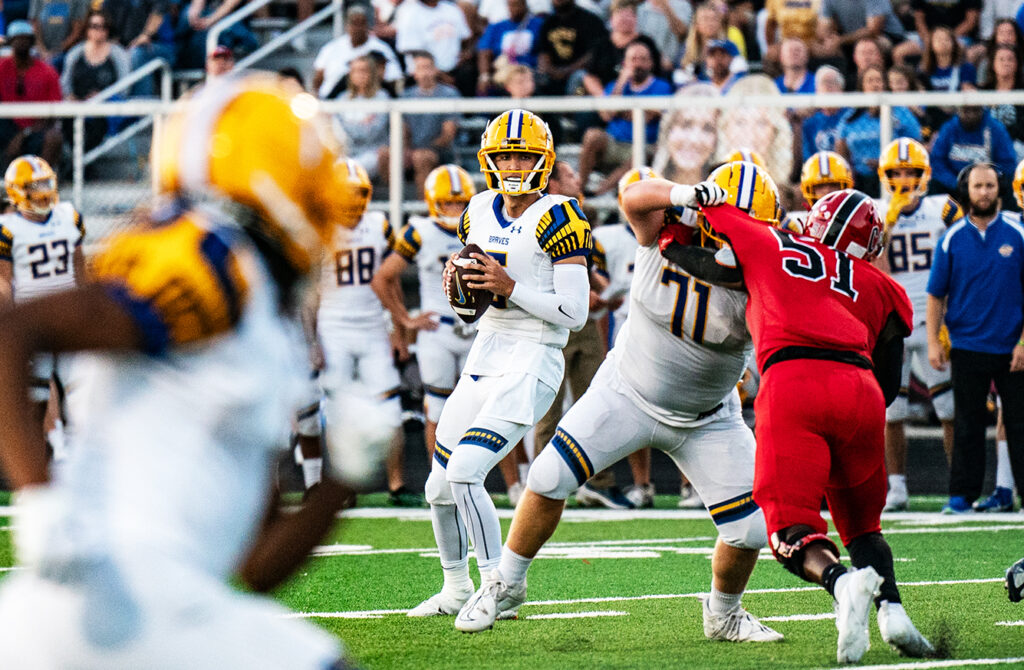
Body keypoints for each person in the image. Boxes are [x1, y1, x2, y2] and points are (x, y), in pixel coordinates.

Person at [0, 72, 370, 669]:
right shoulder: (211, 252)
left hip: (148, 606)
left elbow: (256, 567)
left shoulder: (257, 309)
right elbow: (11, 328)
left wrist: (343, 481)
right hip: (116, 596)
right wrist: (38, 500)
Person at [453, 160, 786, 642]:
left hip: (707, 417)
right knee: (547, 476)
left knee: (751, 531)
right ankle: (506, 583)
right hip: (626, 391)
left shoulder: (767, 275)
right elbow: (634, 196)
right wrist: (683, 193)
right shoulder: (666, 228)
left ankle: (724, 613)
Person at [668, 186, 933, 663]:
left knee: (790, 531)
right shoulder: (880, 286)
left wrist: (670, 237)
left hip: (794, 381)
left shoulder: (774, 243)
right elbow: (890, 381)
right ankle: (894, 614)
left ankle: (841, 583)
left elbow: (707, 238)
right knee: (864, 529)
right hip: (862, 393)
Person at [409, 109, 592, 621]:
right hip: (486, 349)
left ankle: (497, 588)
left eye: (524, 154)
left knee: (467, 471)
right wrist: (463, 293)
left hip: (535, 355)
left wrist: (510, 287)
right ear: (489, 160)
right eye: (505, 154)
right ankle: (453, 587)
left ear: (544, 160)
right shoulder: (478, 210)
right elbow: (472, 306)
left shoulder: (561, 216)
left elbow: (575, 314)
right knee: (438, 485)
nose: (514, 164)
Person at [927, 161, 1024, 514]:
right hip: (966, 347)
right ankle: (960, 497)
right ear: (966, 190)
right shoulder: (951, 239)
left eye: (990, 186)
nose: (984, 192)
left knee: (1020, 424)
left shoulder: (1017, 234)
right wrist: (936, 342)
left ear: (1000, 190)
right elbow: (936, 294)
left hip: (1012, 349)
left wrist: (1023, 343)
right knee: (967, 426)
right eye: (978, 186)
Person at [535, 160, 631, 510]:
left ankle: (599, 483)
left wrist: (598, 288)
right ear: (554, 184)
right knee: (549, 411)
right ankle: (542, 486)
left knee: (598, 403)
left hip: (583, 322)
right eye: (571, 175)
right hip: (551, 322)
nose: (579, 179)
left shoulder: (577, 215)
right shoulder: (539, 217)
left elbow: (583, 269)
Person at [373, 164, 477, 477]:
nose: (455, 209)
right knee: (438, 409)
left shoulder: (481, 227)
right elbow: (384, 276)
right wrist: (405, 319)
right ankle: (440, 481)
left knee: (481, 411)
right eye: (448, 203)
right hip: (439, 329)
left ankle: (477, 480)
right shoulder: (419, 231)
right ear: (434, 202)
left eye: (460, 203)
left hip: (476, 329)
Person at [876, 138, 963, 512]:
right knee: (891, 412)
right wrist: (888, 225)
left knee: (948, 408)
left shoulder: (941, 208)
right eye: (896, 172)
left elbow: (962, 259)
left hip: (931, 319)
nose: (903, 179)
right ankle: (896, 486)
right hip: (894, 321)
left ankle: (960, 484)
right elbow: (873, 269)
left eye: (911, 172)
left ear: (924, 174)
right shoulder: (877, 211)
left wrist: (951, 317)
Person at [0, 155, 84, 454]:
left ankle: (77, 451)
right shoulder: (7, 229)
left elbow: (78, 265)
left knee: (81, 392)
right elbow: (4, 280)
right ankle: (47, 453)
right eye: (35, 185)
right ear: (17, 191)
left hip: (69, 314)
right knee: (35, 398)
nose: (43, 191)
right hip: (33, 318)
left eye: (46, 183)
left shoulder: (68, 216)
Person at [577, 39, 673, 196]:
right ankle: (579, 189)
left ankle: (597, 194)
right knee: (592, 135)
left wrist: (623, 111)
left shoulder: (662, 86)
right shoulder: (615, 86)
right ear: (624, 63)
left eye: (643, 59)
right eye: (633, 59)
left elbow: (650, 116)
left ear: (651, 64)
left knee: (641, 153)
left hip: (644, 145)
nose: (638, 64)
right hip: (614, 143)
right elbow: (607, 115)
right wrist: (622, 81)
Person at [380, 52, 460, 197]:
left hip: (440, 152)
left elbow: (448, 134)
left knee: (421, 157)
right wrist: (405, 149)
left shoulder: (449, 94)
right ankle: (394, 204)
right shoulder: (406, 96)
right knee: (384, 155)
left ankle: (424, 211)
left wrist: (421, 150)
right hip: (412, 150)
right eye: (420, 68)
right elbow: (403, 129)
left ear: (435, 70)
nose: (424, 73)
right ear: (414, 72)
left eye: (428, 67)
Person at [835, 65, 922, 198]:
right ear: (862, 86)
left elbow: (916, 145)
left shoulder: (901, 112)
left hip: (895, 177)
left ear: (886, 85)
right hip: (859, 179)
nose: (875, 85)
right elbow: (841, 151)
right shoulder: (850, 117)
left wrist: (887, 164)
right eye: (870, 80)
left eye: (878, 80)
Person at [60, 11, 130, 152]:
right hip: (77, 105)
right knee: (67, 120)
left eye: (103, 26)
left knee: (98, 121)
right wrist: (70, 97)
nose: (99, 31)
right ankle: (79, 162)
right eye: (94, 26)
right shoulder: (75, 53)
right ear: (87, 29)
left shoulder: (118, 54)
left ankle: (83, 163)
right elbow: (64, 84)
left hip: (105, 108)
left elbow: (125, 87)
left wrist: (103, 97)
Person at [0, 21, 63, 171]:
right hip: (8, 126)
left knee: (54, 138)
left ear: (32, 42)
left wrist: (25, 134)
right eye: (17, 39)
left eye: (25, 38)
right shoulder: (2, 68)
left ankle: (40, 181)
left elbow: (55, 112)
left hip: (36, 127)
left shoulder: (47, 72)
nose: (21, 43)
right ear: (10, 42)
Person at [715, 74, 793, 186]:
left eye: (762, 123)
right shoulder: (709, 186)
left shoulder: (786, 193)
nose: (750, 135)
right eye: (740, 122)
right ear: (725, 127)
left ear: (775, 131)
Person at [313, 6, 403, 99]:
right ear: (346, 25)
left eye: (361, 23)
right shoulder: (331, 48)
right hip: (333, 101)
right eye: (354, 23)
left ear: (367, 25)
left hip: (373, 100)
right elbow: (318, 79)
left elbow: (394, 79)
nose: (357, 28)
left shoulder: (381, 48)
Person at [929, 105, 1017, 195]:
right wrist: (956, 183)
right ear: (959, 110)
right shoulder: (949, 128)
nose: (971, 115)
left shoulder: (996, 129)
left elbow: (1007, 164)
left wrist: (987, 183)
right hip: (954, 186)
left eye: (975, 110)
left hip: (987, 187)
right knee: (933, 184)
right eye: (966, 110)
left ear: (982, 110)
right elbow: (937, 160)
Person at [334, 55, 391, 181]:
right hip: (347, 152)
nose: (359, 74)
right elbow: (339, 130)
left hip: (373, 152)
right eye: (355, 71)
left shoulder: (382, 97)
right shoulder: (342, 98)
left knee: (353, 171)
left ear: (371, 73)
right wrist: (362, 124)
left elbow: (373, 132)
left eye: (363, 70)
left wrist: (352, 126)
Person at [652, 84, 720, 186]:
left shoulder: (729, 196)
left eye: (707, 129)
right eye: (686, 125)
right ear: (668, 129)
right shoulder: (647, 189)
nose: (694, 140)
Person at [476, 0, 544, 95]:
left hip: (529, 71)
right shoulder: (496, 27)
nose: (514, 9)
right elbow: (484, 52)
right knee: (485, 87)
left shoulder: (538, 25)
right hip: (503, 71)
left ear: (524, 5)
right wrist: (484, 76)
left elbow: (544, 51)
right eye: (511, 5)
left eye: (517, 5)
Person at [782, 149, 854, 231]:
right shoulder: (797, 223)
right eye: (820, 186)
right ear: (809, 189)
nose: (827, 190)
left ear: (846, 186)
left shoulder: (859, 217)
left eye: (834, 185)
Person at [801, 66, 850, 161]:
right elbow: (808, 158)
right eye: (823, 82)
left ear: (841, 90)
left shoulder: (850, 116)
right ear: (817, 90)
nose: (828, 87)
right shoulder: (810, 123)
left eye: (833, 82)